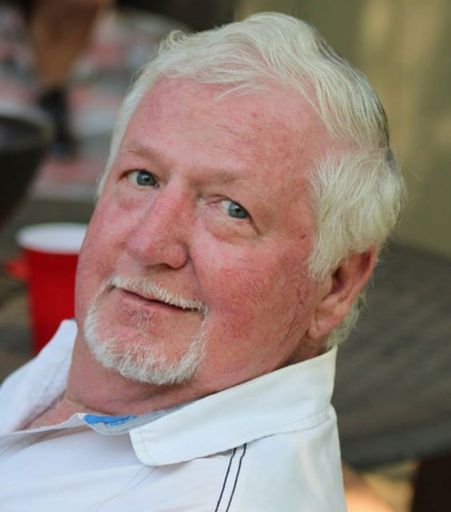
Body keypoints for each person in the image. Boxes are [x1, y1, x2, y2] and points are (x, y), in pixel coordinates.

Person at [0, 12, 404, 511]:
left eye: (232, 209)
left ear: (336, 284)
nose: (148, 244)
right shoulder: (82, 372)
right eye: (143, 177)